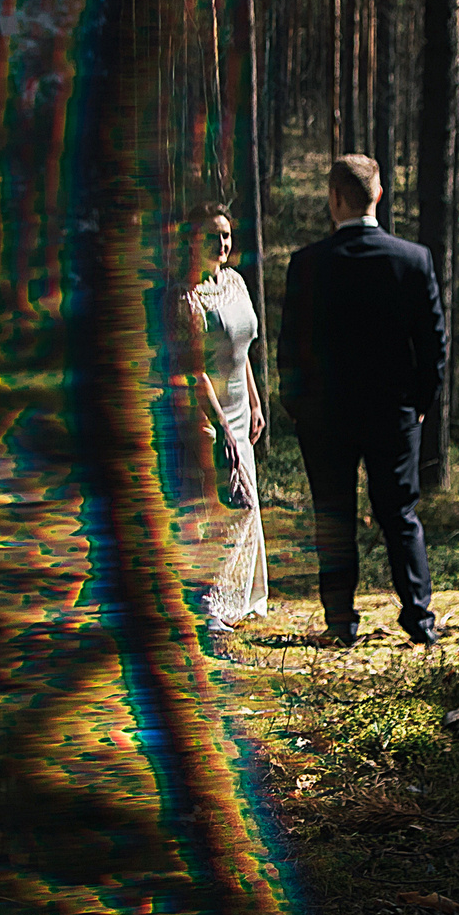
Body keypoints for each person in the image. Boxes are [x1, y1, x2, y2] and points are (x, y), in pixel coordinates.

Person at [279, 154, 446, 648]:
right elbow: (433, 343)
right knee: (399, 514)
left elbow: (291, 345)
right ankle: (419, 619)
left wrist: (297, 404)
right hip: (393, 412)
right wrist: (420, 402)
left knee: (333, 515)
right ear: (378, 196)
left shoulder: (307, 264)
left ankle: (340, 622)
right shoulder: (412, 259)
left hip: (324, 415)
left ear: (333, 199)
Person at [178, 202, 268, 629]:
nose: (222, 244)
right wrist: (222, 429)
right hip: (205, 414)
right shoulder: (186, 295)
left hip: (238, 405)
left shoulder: (235, 282)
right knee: (217, 505)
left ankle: (243, 596)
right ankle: (209, 601)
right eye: (213, 236)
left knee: (247, 505)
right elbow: (194, 369)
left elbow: (242, 348)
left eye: (227, 235)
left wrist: (254, 401)